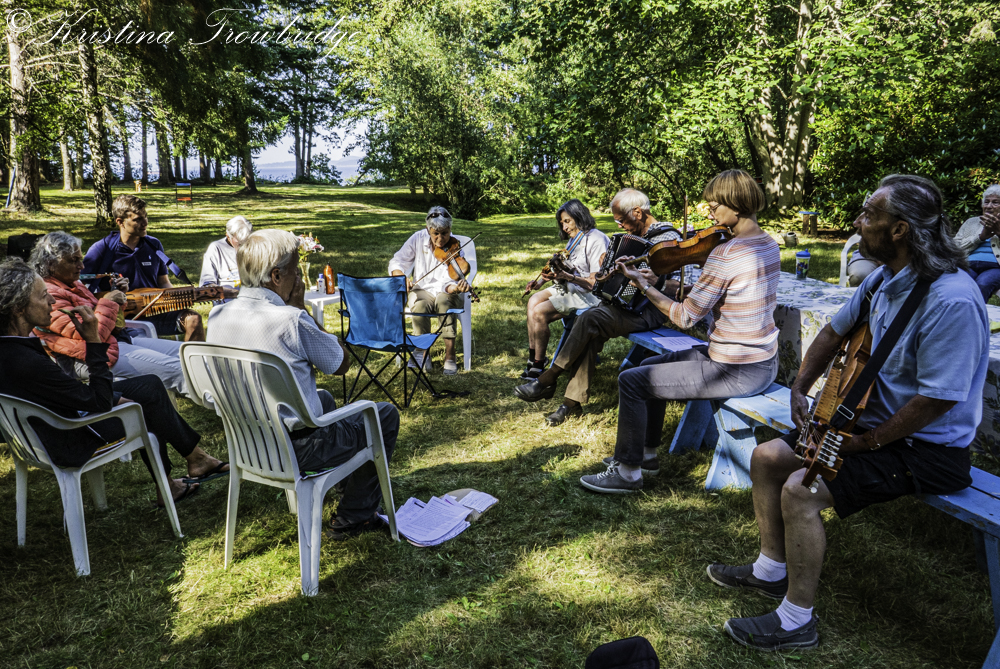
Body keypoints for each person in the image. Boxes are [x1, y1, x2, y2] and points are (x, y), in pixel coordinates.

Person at [707, 175, 988, 651]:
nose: (857, 223)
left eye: (868, 215)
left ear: (899, 229)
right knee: (767, 458)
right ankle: (771, 571)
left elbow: (937, 400)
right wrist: (800, 389)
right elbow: (832, 333)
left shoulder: (951, 300)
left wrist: (864, 443)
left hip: (927, 448)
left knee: (801, 490)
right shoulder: (884, 279)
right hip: (866, 428)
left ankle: (796, 622)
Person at [580, 170, 780, 493]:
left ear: (736, 205)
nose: (710, 213)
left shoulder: (726, 254)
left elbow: (685, 317)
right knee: (647, 366)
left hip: (734, 368)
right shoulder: (768, 244)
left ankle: (627, 473)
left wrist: (644, 285)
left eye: (715, 206)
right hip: (761, 361)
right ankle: (646, 455)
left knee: (631, 381)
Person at [207, 229, 400, 541]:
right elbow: (340, 364)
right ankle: (354, 516)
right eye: (296, 270)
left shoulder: (217, 316)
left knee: (324, 400)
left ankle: (343, 486)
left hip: (249, 443)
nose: (300, 278)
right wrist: (301, 310)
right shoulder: (290, 320)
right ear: (276, 276)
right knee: (383, 415)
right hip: (299, 450)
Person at [0, 258, 229, 508]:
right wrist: (93, 342)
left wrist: (115, 397)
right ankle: (181, 474)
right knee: (143, 404)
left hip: (45, 427)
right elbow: (98, 400)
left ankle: (193, 462)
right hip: (70, 437)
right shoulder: (25, 361)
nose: (52, 302)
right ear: (18, 308)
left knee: (148, 386)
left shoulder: (11, 348)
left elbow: (62, 392)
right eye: (44, 296)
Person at [513, 188, 681, 426]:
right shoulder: (632, 238)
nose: (619, 225)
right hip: (626, 305)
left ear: (638, 212)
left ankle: (548, 378)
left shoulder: (669, 239)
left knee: (590, 319)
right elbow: (612, 281)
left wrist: (657, 282)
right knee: (590, 327)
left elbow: (685, 288)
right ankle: (570, 404)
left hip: (651, 310)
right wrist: (607, 272)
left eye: (621, 220)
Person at [29, 231, 189, 396]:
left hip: (113, 343)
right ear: (50, 264)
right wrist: (109, 301)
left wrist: (117, 296)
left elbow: (112, 324)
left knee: (190, 354)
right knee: (181, 370)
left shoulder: (72, 284)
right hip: (87, 358)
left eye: (80, 259)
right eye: (73, 260)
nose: (81, 266)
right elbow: (92, 336)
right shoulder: (49, 294)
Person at [83, 193, 206, 341]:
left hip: (155, 311)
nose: (145, 223)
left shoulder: (154, 244)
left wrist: (180, 299)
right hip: (122, 319)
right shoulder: (103, 249)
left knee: (193, 319)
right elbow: (82, 288)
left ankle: (193, 357)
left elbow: (163, 283)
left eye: (145, 217)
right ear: (120, 222)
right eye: (138, 219)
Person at [521, 199, 610, 380]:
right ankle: (533, 358)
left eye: (567, 221)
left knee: (539, 312)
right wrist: (540, 282)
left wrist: (567, 277)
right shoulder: (573, 240)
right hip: (571, 288)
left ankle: (538, 364)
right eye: (562, 223)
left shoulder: (596, 239)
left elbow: (595, 283)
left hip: (590, 295)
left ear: (579, 217)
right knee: (533, 301)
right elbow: (564, 270)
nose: (564, 227)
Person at [388, 206, 476, 375]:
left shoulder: (456, 247)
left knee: (444, 303)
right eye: (435, 233)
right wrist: (401, 276)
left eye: (445, 233)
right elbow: (397, 261)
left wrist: (456, 288)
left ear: (450, 228)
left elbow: (450, 282)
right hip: (422, 288)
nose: (440, 239)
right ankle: (423, 352)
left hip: (446, 291)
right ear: (428, 229)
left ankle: (450, 355)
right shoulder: (417, 238)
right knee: (419, 305)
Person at [954, 184, 1000, 301]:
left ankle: (974, 312)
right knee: (959, 283)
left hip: (995, 268)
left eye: (995, 202)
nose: (989, 206)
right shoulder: (971, 222)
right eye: (986, 202)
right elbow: (955, 248)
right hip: (968, 264)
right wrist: (980, 237)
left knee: (983, 284)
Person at [200, 215, 253, 287]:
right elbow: (207, 284)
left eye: (247, 241)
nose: (244, 245)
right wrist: (232, 292)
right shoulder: (216, 248)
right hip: (228, 293)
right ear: (228, 236)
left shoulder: (256, 246)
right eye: (239, 243)